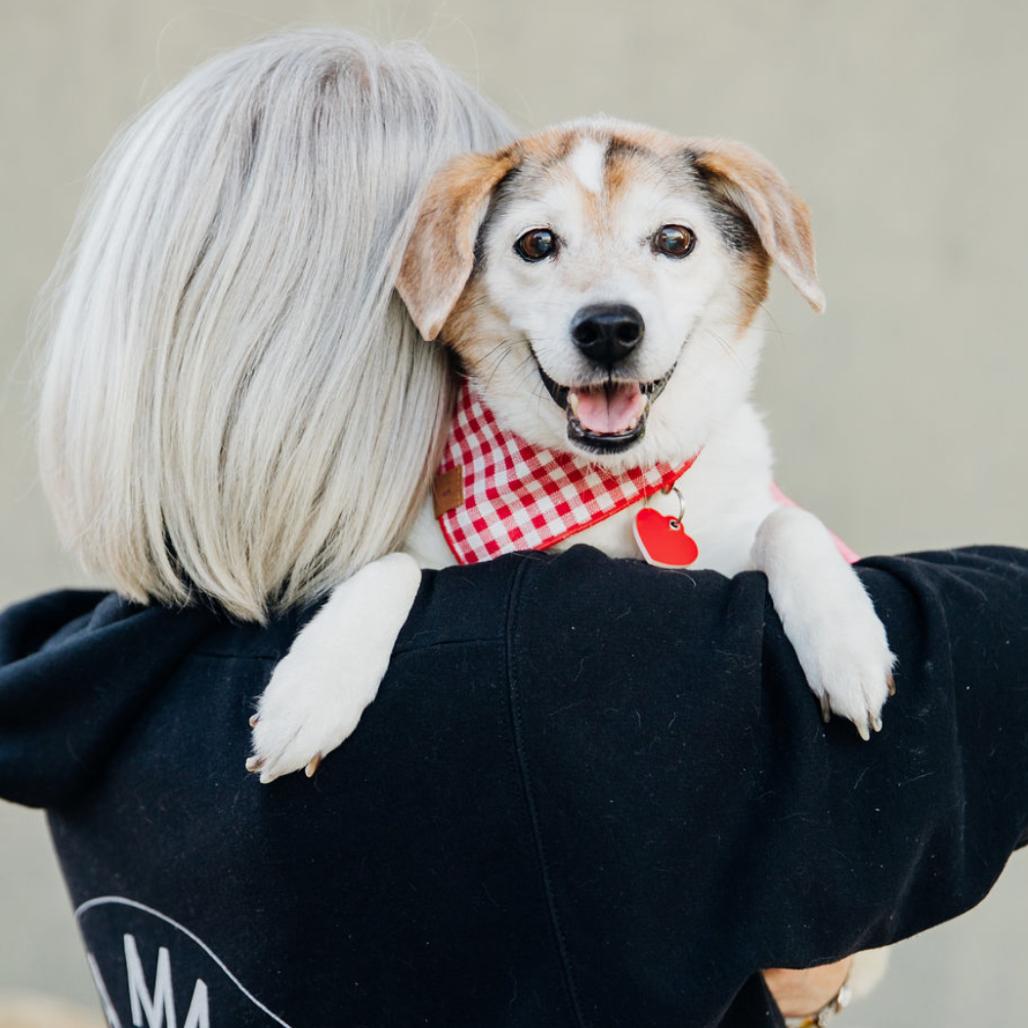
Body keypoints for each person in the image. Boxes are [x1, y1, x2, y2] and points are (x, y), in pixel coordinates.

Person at [2, 28, 1025, 1028]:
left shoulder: (88, 678)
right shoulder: (540, 665)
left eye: (667, 243)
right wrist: (812, 982)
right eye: (533, 246)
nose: (604, 303)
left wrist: (789, 547)